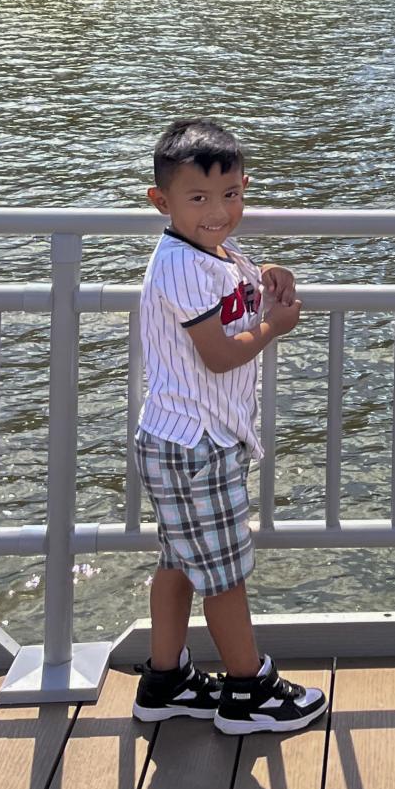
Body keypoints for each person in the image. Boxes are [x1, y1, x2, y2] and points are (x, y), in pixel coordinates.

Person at [131, 116, 329, 737]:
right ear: (160, 201)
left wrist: (269, 282)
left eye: (231, 196)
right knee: (223, 575)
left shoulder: (207, 251)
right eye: (198, 199)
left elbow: (233, 294)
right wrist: (274, 328)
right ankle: (248, 690)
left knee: (180, 562)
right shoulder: (183, 266)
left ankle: (166, 681)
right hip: (196, 443)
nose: (218, 211)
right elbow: (218, 353)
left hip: (182, 438)